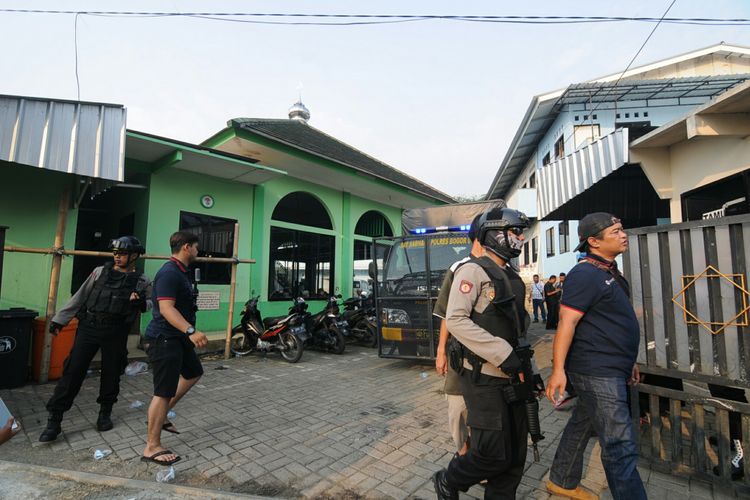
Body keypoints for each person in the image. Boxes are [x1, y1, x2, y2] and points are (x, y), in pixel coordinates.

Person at [433, 208, 533, 500]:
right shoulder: (471, 271)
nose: (520, 237)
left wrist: (531, 373)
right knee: (491, 454)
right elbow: (455, 320)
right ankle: (449, 479)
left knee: (514, 458)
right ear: (494, 234)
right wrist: (502, 354)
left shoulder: (511, 276)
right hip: (485, 378)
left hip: (514, 378)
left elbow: (519, 331)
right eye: (515, 231)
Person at [545, 212, 646, 500]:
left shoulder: (610, 274)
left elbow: (614, 322)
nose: (622, 234)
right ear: (593, 241)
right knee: (620, 446)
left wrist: (630, 361)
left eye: (621, 228)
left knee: (581, 425)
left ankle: (562, 480)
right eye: (614, 231)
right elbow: (567, 323)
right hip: (597, 372)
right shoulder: (585, 274)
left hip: (613, 367)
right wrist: (558, 370)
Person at [39, 236, 150, 442]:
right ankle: (54, 420)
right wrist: (59, 320)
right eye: (115, 254)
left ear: (134, 256)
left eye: (122, 254)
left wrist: (142, 303)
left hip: (116, 332)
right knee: (73, 371)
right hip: (89, 327)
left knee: (111, 373)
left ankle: (104, 413)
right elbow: (80, 297)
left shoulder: (142, 281)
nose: (117, 258)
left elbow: (153, 303)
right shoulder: (100, 272)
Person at [142, 231, 208, 466]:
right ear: (187, 247)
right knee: (163, 392)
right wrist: (192, 331)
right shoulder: (169, 272)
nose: (198, 252)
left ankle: (159, 418)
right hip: (164, 339)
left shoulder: (181, 272)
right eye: (196, 247)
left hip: (177, 339)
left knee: (193, 372)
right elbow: (167, 309)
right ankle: (152, 446)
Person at [433, 214, 483, 456]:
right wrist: (441, 351)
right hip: (459, 355)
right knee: (458, 409)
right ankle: (463, 453)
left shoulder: (502, 271)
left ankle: (479, 455)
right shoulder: (459, 268)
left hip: (491, 358)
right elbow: (445, 314)